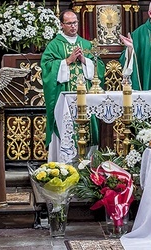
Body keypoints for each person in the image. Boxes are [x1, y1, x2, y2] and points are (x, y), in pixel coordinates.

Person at [41, 9, 105, 161]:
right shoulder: (54, 45)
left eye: (75, 22)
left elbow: (100, 67)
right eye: (69, 23)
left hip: (86, 98)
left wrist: (84, 60)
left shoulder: (86, 44)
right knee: (67, 129)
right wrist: (67, 61)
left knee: (89, 129)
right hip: (65, 99)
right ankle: (65, 165)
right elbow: (46, 67)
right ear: (62, 25)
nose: (73, 26)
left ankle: (89, 167)